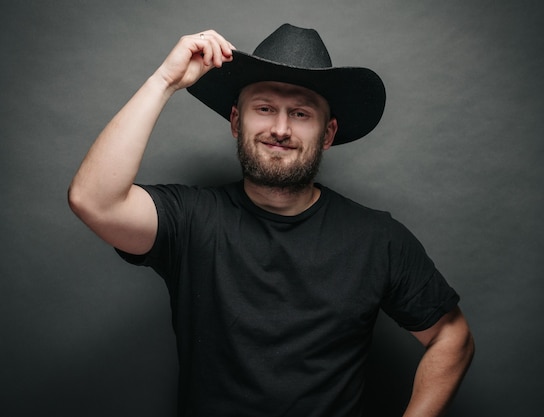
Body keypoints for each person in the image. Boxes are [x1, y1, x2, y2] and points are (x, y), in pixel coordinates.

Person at [68, 24, 474, 417]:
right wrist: (164, 81)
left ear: (328, 134)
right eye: (264, 109)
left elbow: (451, 336)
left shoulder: (377, 238)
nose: (280, 129)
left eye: (300, 113)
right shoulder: (190, 219)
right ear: (235, 122)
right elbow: (95, 201)